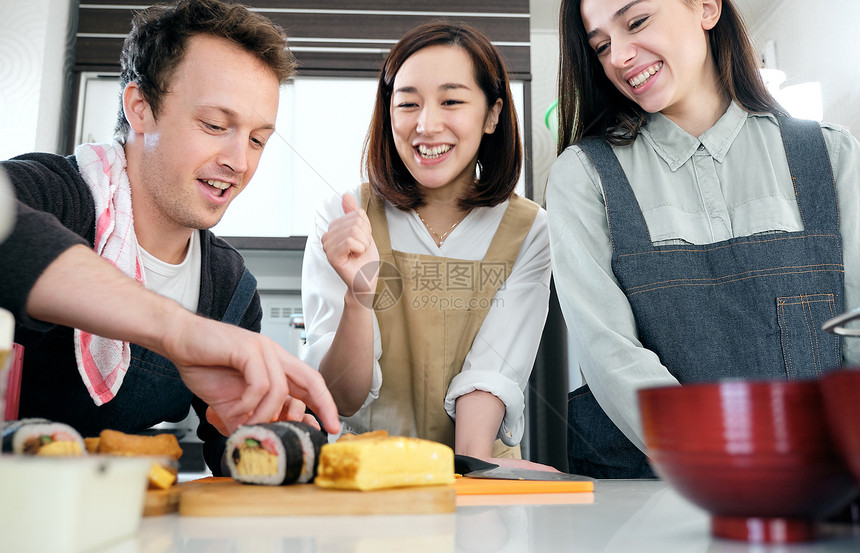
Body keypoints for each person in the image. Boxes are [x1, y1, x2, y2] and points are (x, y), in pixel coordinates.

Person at [0, 0, 339, 473]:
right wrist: (179, 331)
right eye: (215, 126)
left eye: (258, 139)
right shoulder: (58, 195)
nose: (239, 162)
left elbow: (225, 449)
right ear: (140, 108)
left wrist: (271, 429)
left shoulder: (228, 286)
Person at [546, 0, 860, 478]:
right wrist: (726, 466)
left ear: (707, 8)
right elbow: (608, 350)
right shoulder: (584, 176)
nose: (620, 57)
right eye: (602, 46)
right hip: (650, 498)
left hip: (820, 487)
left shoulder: (831, 153)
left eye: (636, 22)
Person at [301, 22, 555, 470]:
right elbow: (341, 395)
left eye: (452, 101)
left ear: (493, 114)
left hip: (477, 476)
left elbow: (491, 373)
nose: (426, 124)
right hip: (368, 474)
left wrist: (471, 468)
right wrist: (360, 294)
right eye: (407, 104)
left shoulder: (530, 230)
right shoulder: (344, 217)